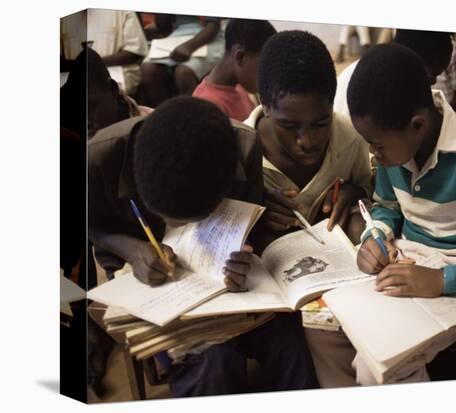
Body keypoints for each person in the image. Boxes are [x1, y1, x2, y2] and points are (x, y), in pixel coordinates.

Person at [320, 43, 456, 386]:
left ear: (418, 126)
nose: (373, 155)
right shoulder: (395, 145)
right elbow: (387, 208)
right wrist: (375, 236)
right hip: (405, 265)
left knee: (379, 365)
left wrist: (441, 281)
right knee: (324, 326)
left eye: (377, 145)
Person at [88, 95, 318, 396]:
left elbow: (248, 226)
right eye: (175, 220)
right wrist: (131, 248)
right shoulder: (97, 159)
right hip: (148, 280)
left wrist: (243, 255)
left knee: (292, 346)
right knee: (212, 364)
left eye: (200, 217)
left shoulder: (242, 148)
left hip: (221, 279)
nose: (185, 229)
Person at [244, 30, 373, 250]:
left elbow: (368, 188)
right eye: (289, 126)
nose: (307, 141)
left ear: (333, 103)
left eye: (321, 123)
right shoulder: (240, 152)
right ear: (265, 104)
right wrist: (256, 215)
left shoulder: (350, 138)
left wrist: (353, 192)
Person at [334, 29, 453, 116]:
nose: (434, 82)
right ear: (409, 61)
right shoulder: (376, 84)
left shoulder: (395, 74)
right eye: (431, 76)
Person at [192, 18, 276, 121]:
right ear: (240, 57)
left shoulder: (241, 87)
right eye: (263, 68)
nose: (267, 78)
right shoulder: (207, 106)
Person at [140, 15, 225, 106]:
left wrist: (189, 46)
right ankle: (164, 113)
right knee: (148, 69)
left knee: (183, 72)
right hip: (178, 34)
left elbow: (213, 25)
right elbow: (164, 27)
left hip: (209, 35)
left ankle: (193, 115)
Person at [61, 9, 149, 96]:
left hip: (114, 72)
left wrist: (95, 63)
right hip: (74, 74)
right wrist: (80, 66)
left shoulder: (122, 11)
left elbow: (134, 52)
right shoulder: (62, 16)